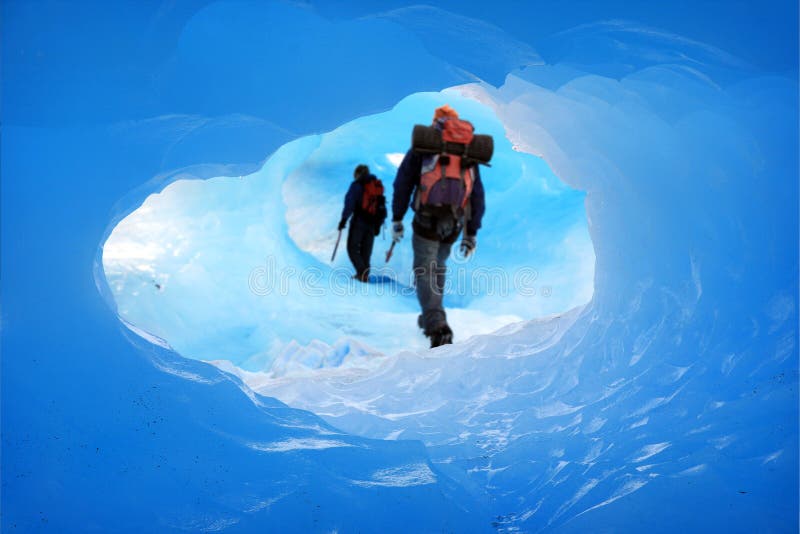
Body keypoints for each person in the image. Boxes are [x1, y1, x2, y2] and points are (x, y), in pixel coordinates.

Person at [391, 105, 486, 347]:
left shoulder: (425, 144)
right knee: (438, 267)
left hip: (427, 219)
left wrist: (397, 217)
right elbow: (477, 195)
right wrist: (471, 231)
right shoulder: (466, 149)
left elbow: (403, 183)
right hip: (453, 223)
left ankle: (436, 326)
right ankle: (431, 316)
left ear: (436, 122)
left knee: (424, 270)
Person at [339, 164, 387, 282]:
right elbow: (381, 207)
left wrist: (344, 219)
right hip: (372, 223)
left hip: (359, 221)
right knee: (366, 250)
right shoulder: (376, 186)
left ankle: (361, 272)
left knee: (352, 247)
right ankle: (364, 275)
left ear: (357, 174)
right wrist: (378, 225)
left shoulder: (357, 185)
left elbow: (349, 203)